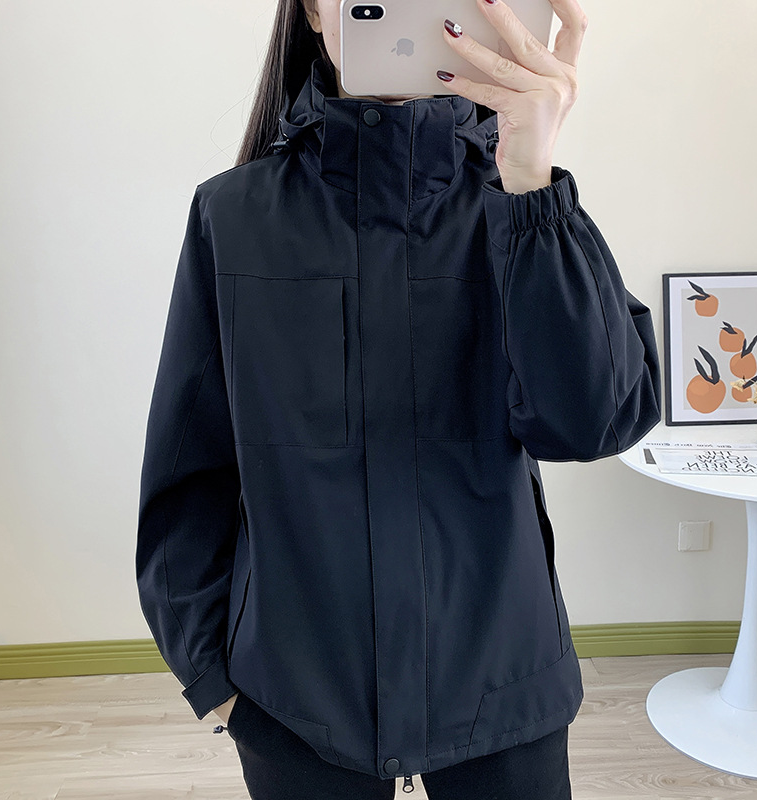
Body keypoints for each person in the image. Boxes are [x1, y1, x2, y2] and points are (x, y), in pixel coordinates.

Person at [136, 0, 662, 798]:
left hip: (503, 688)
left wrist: (532, 183)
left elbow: (594, 422)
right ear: (314, 13)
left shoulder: (521, 207)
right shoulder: (231, 215)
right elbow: (188, 473)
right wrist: (215, 680)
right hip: (293, 701)